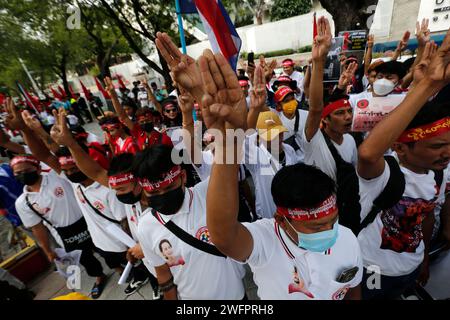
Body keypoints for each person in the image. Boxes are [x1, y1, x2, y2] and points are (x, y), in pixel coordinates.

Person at [200, 38, 363, 300]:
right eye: (318, 226)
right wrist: (236, 130)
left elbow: (354, 288)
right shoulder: (266, 241)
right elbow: (223, 235)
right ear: (283, 222)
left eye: (331, 221)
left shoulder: (346, 238)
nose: (329, 231)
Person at [357, 35, 450, 299]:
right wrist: (427, 85)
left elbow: (428, 214)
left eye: (448, 144)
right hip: (374, 267)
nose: (446, 153)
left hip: (411, 266)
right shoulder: (384, 173)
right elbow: (366, 153)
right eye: (435, 146)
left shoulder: (439, 174)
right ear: (401, 148)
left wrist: (423, 260)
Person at [133, 145, 246, 300]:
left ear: (183, 177)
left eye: (169, 187)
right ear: (143, 190)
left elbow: (230, 157)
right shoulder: (146, 227)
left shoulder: (210, 193)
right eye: (153, 193)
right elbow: (163, 273)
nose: (163, 196)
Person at [11, 154, 107, 299]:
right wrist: (47, 250)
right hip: (65, 234)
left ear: (37, 169)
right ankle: (99, 277)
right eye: (18, 173)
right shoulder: (23, 202)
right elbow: (37, 228)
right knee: (86, 259)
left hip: (87, 221)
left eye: (26, 171)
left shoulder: (57, 177)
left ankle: (121, 267)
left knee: (106, 248)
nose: (22, 175)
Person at [105, 77, 172, 151]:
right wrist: (113, 97)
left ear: (153, 119)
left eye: (147, 120)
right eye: (142, 122)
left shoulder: (165, 139)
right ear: (138, 123)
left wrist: (148, 88)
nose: (145, 123)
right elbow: (123, 116)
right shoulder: (138, 131)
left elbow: (155, 103)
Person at [273, 86, 308, 159]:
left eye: (292, 99)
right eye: (286, 101)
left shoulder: (307, 115)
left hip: (310, 159)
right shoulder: (276, 121)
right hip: (291, 163)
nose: (291, 102)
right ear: (279, 106)